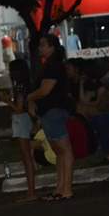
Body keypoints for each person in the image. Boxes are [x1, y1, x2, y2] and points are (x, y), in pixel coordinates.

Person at [27, 34, 75, 201]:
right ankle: (60, 188)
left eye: (43, 45)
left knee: (64, 150)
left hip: (54, 110)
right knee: (59, 151)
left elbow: (45, 90)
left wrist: (29, 97)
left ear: (52, 47)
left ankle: (66, 189)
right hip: (50, 111)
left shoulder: (53, 66)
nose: (40, 48)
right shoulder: (51, 65)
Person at [4, 59, 36, 201]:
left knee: (26, 157)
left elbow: (19, 108)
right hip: (25, 119)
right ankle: (31, 191)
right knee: (27, 156)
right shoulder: (28, 85)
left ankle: (31, 192)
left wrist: (6, 100)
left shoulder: (20, 87)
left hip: (21, 120)